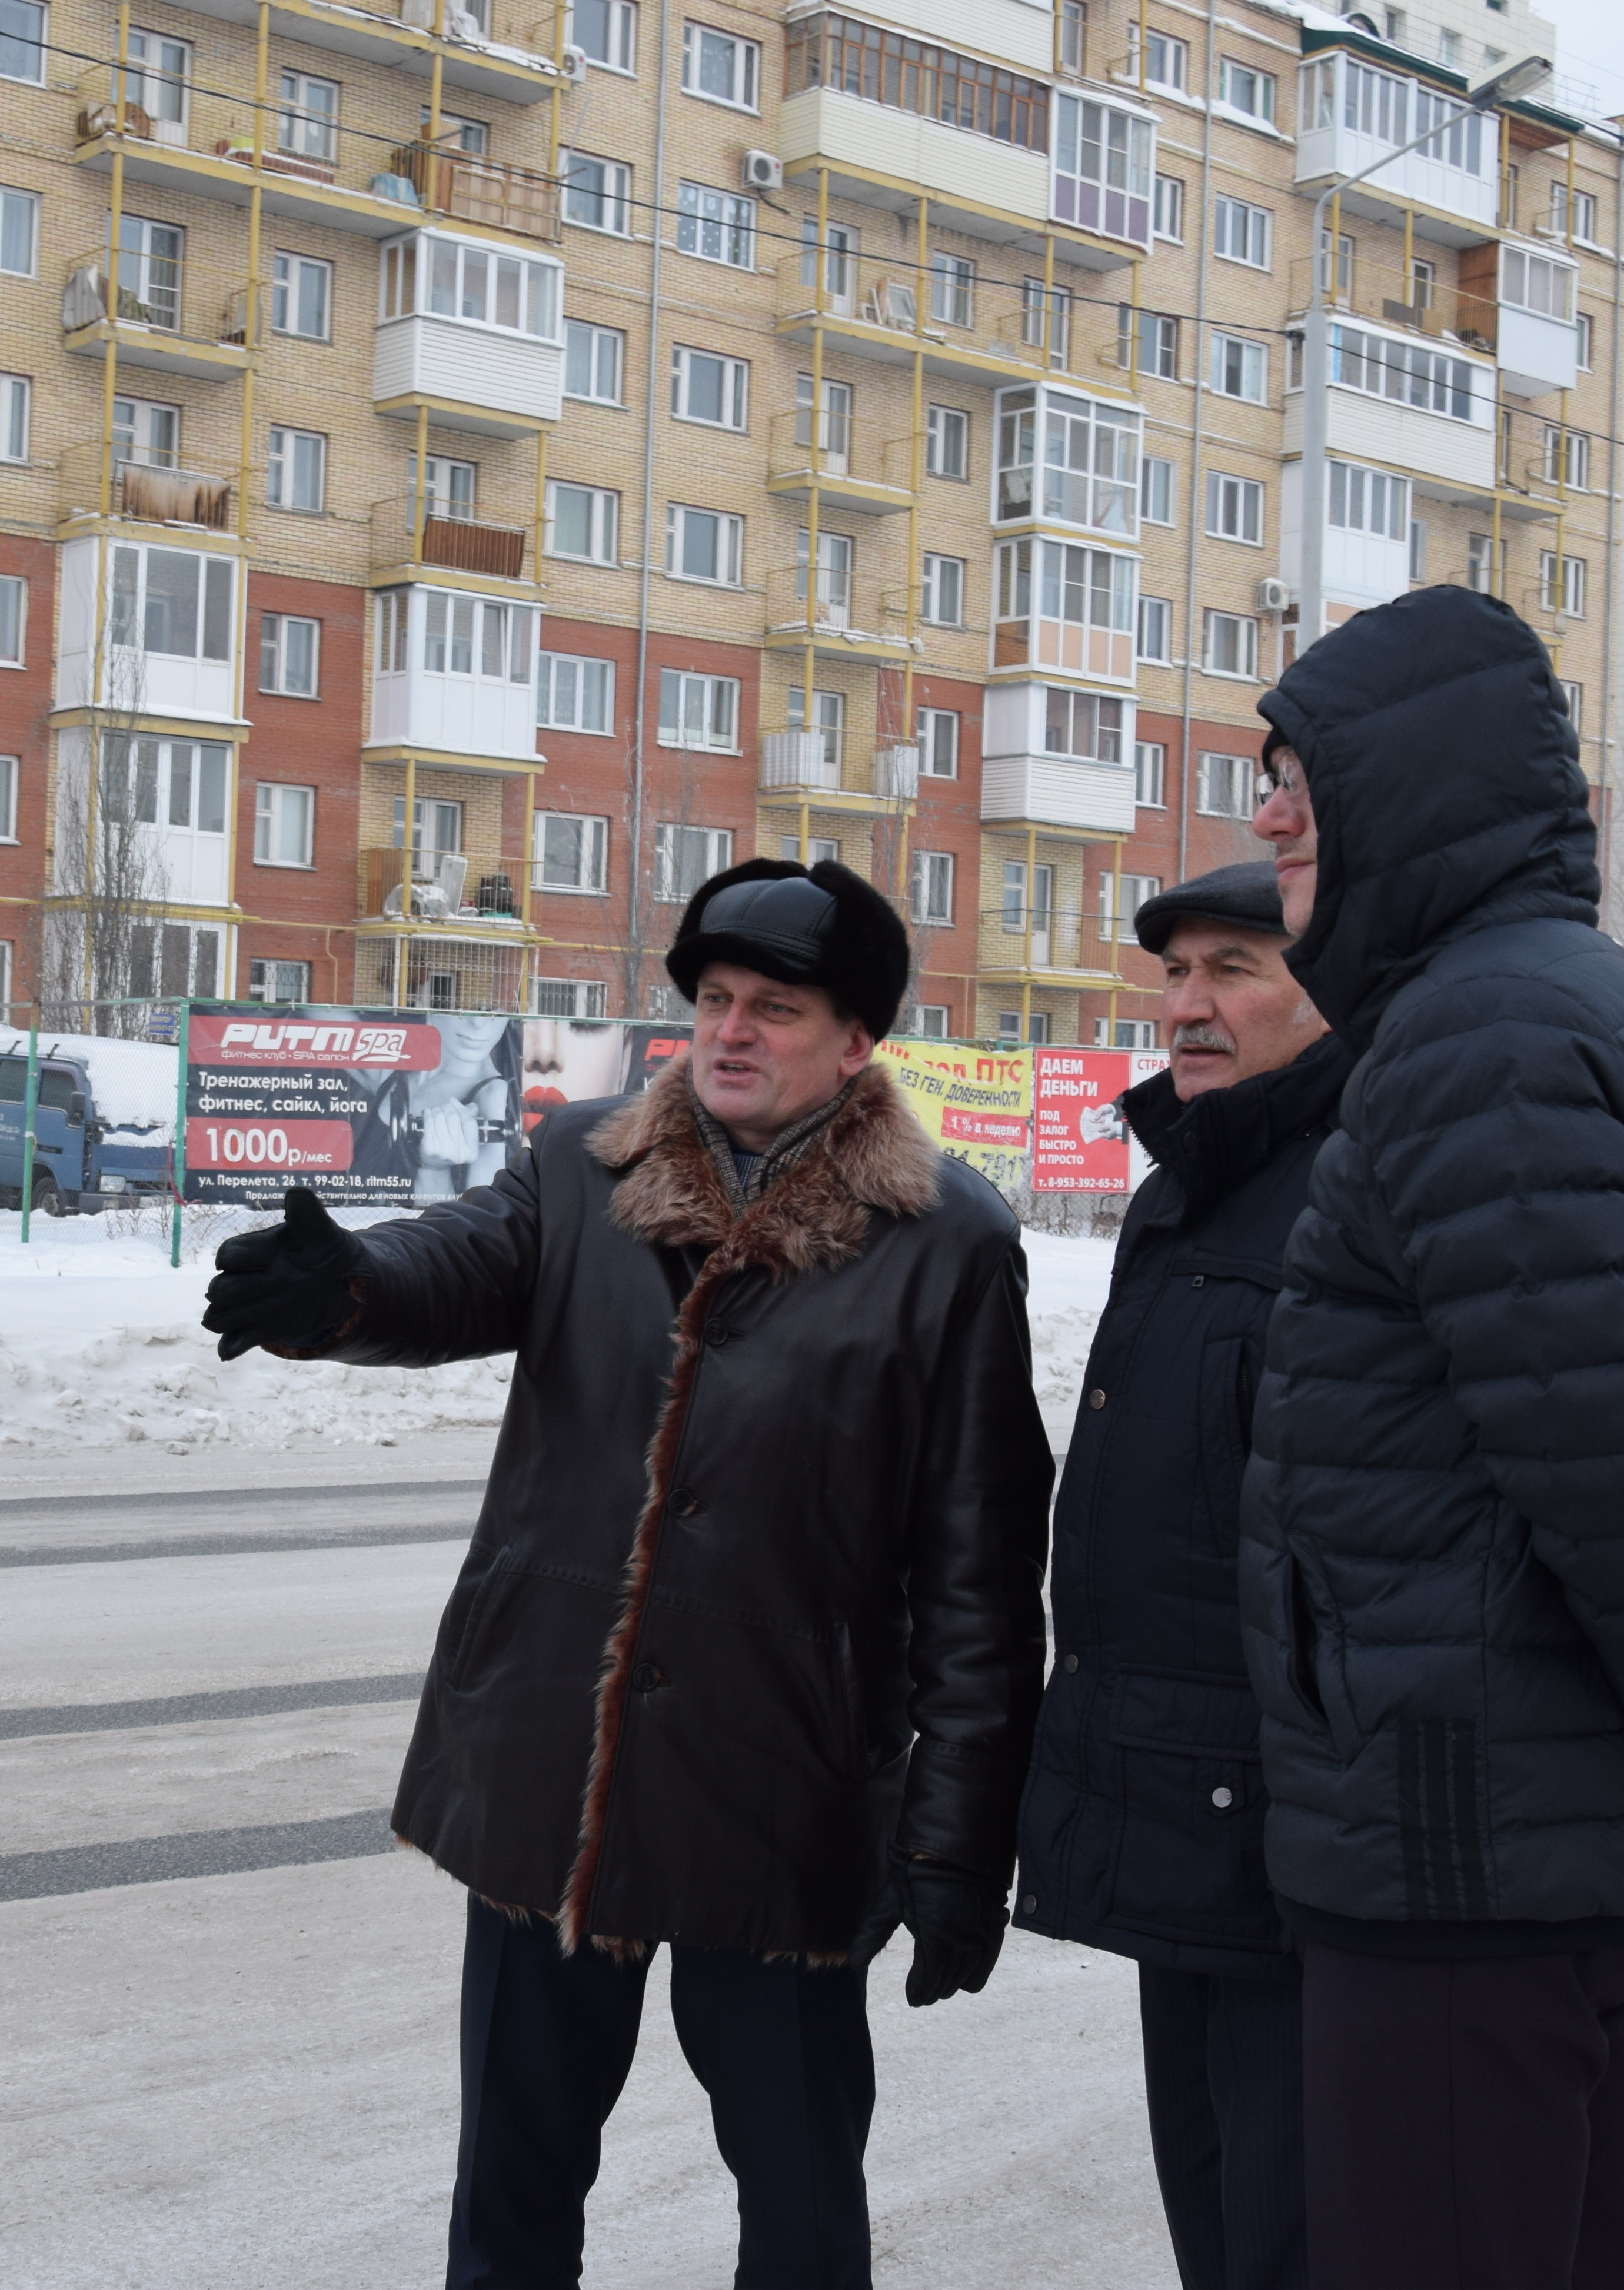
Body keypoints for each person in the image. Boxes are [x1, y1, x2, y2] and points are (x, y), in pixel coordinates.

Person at [199, 857, 1053, 2290]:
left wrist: (962, 1840)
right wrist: (343, 1285)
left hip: (781, 1788)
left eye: (774, 1006)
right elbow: (456, 1262)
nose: (729, 1029)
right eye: (714, 998)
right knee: (516, 2175)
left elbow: (978, 1571)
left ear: (856, 1043)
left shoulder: (949, 1246)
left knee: (797, 2188)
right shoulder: (583, 1165)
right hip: (558, 1768)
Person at [1232, 585, 1624, 2290]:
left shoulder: (1479, 1039)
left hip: (1459, 1848)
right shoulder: (1570, 1007)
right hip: (1523, 1832)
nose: (1270, 813)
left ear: (1415, 789)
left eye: (1302, 775)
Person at [1014, 861, 1352, 2290]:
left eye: (1235, 968)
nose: (1189, 1006)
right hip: (1179, 1790)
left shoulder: (1354, 1191)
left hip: (1297, 1818)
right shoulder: (1192, 1187)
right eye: (1175, 974)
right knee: (1212, 2200)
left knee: (1292, 2212)